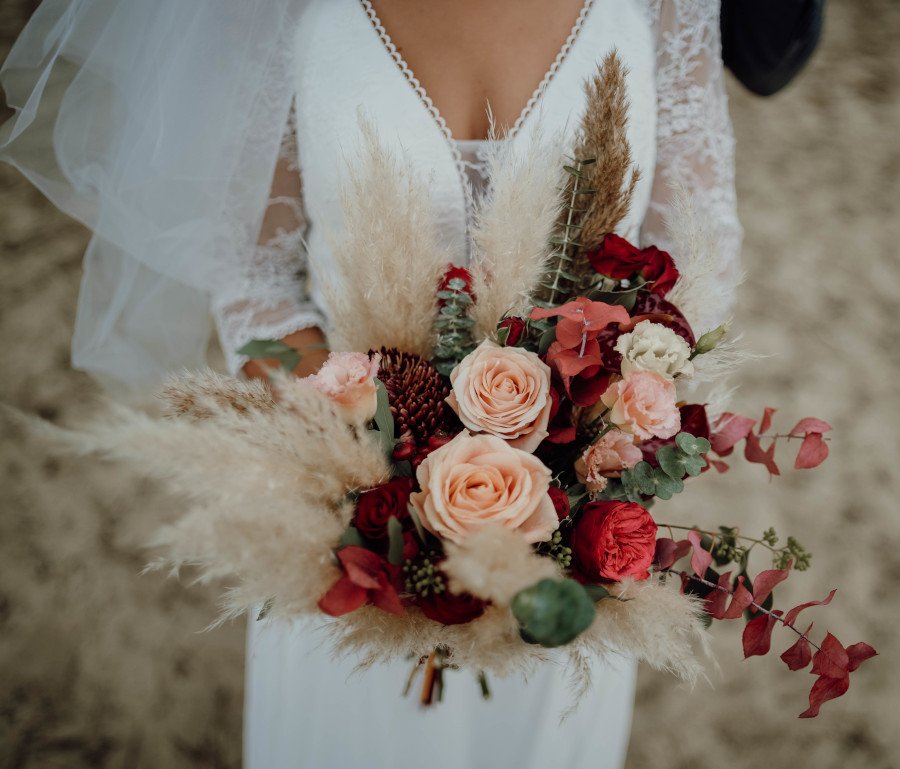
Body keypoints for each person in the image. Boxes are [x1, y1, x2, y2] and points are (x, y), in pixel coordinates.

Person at [0, 1, 740, 767]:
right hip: (353, 534)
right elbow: (254, 277)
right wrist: (379, 482)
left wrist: (592, 457)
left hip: (570, 559)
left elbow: (699, 241)